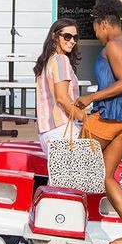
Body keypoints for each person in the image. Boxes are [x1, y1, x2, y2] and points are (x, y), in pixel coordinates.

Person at [75, 0, 122, 244]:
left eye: (96, 28)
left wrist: (91, 98)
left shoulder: (114, 47)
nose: (96, 34)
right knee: (106, 176)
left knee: (76, 166)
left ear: (105, 23)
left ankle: (66, 224)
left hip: (112, 116)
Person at [34, 18, 85, 154]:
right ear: (54, 37)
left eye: (75, 37)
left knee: (58, 175)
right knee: (74, 175)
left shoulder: (45, 62)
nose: (72, 41)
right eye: (67, 36)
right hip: (62, 130)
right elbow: (62, 98)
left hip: (46, 132)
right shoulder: (61, 60)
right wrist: (86, 119)